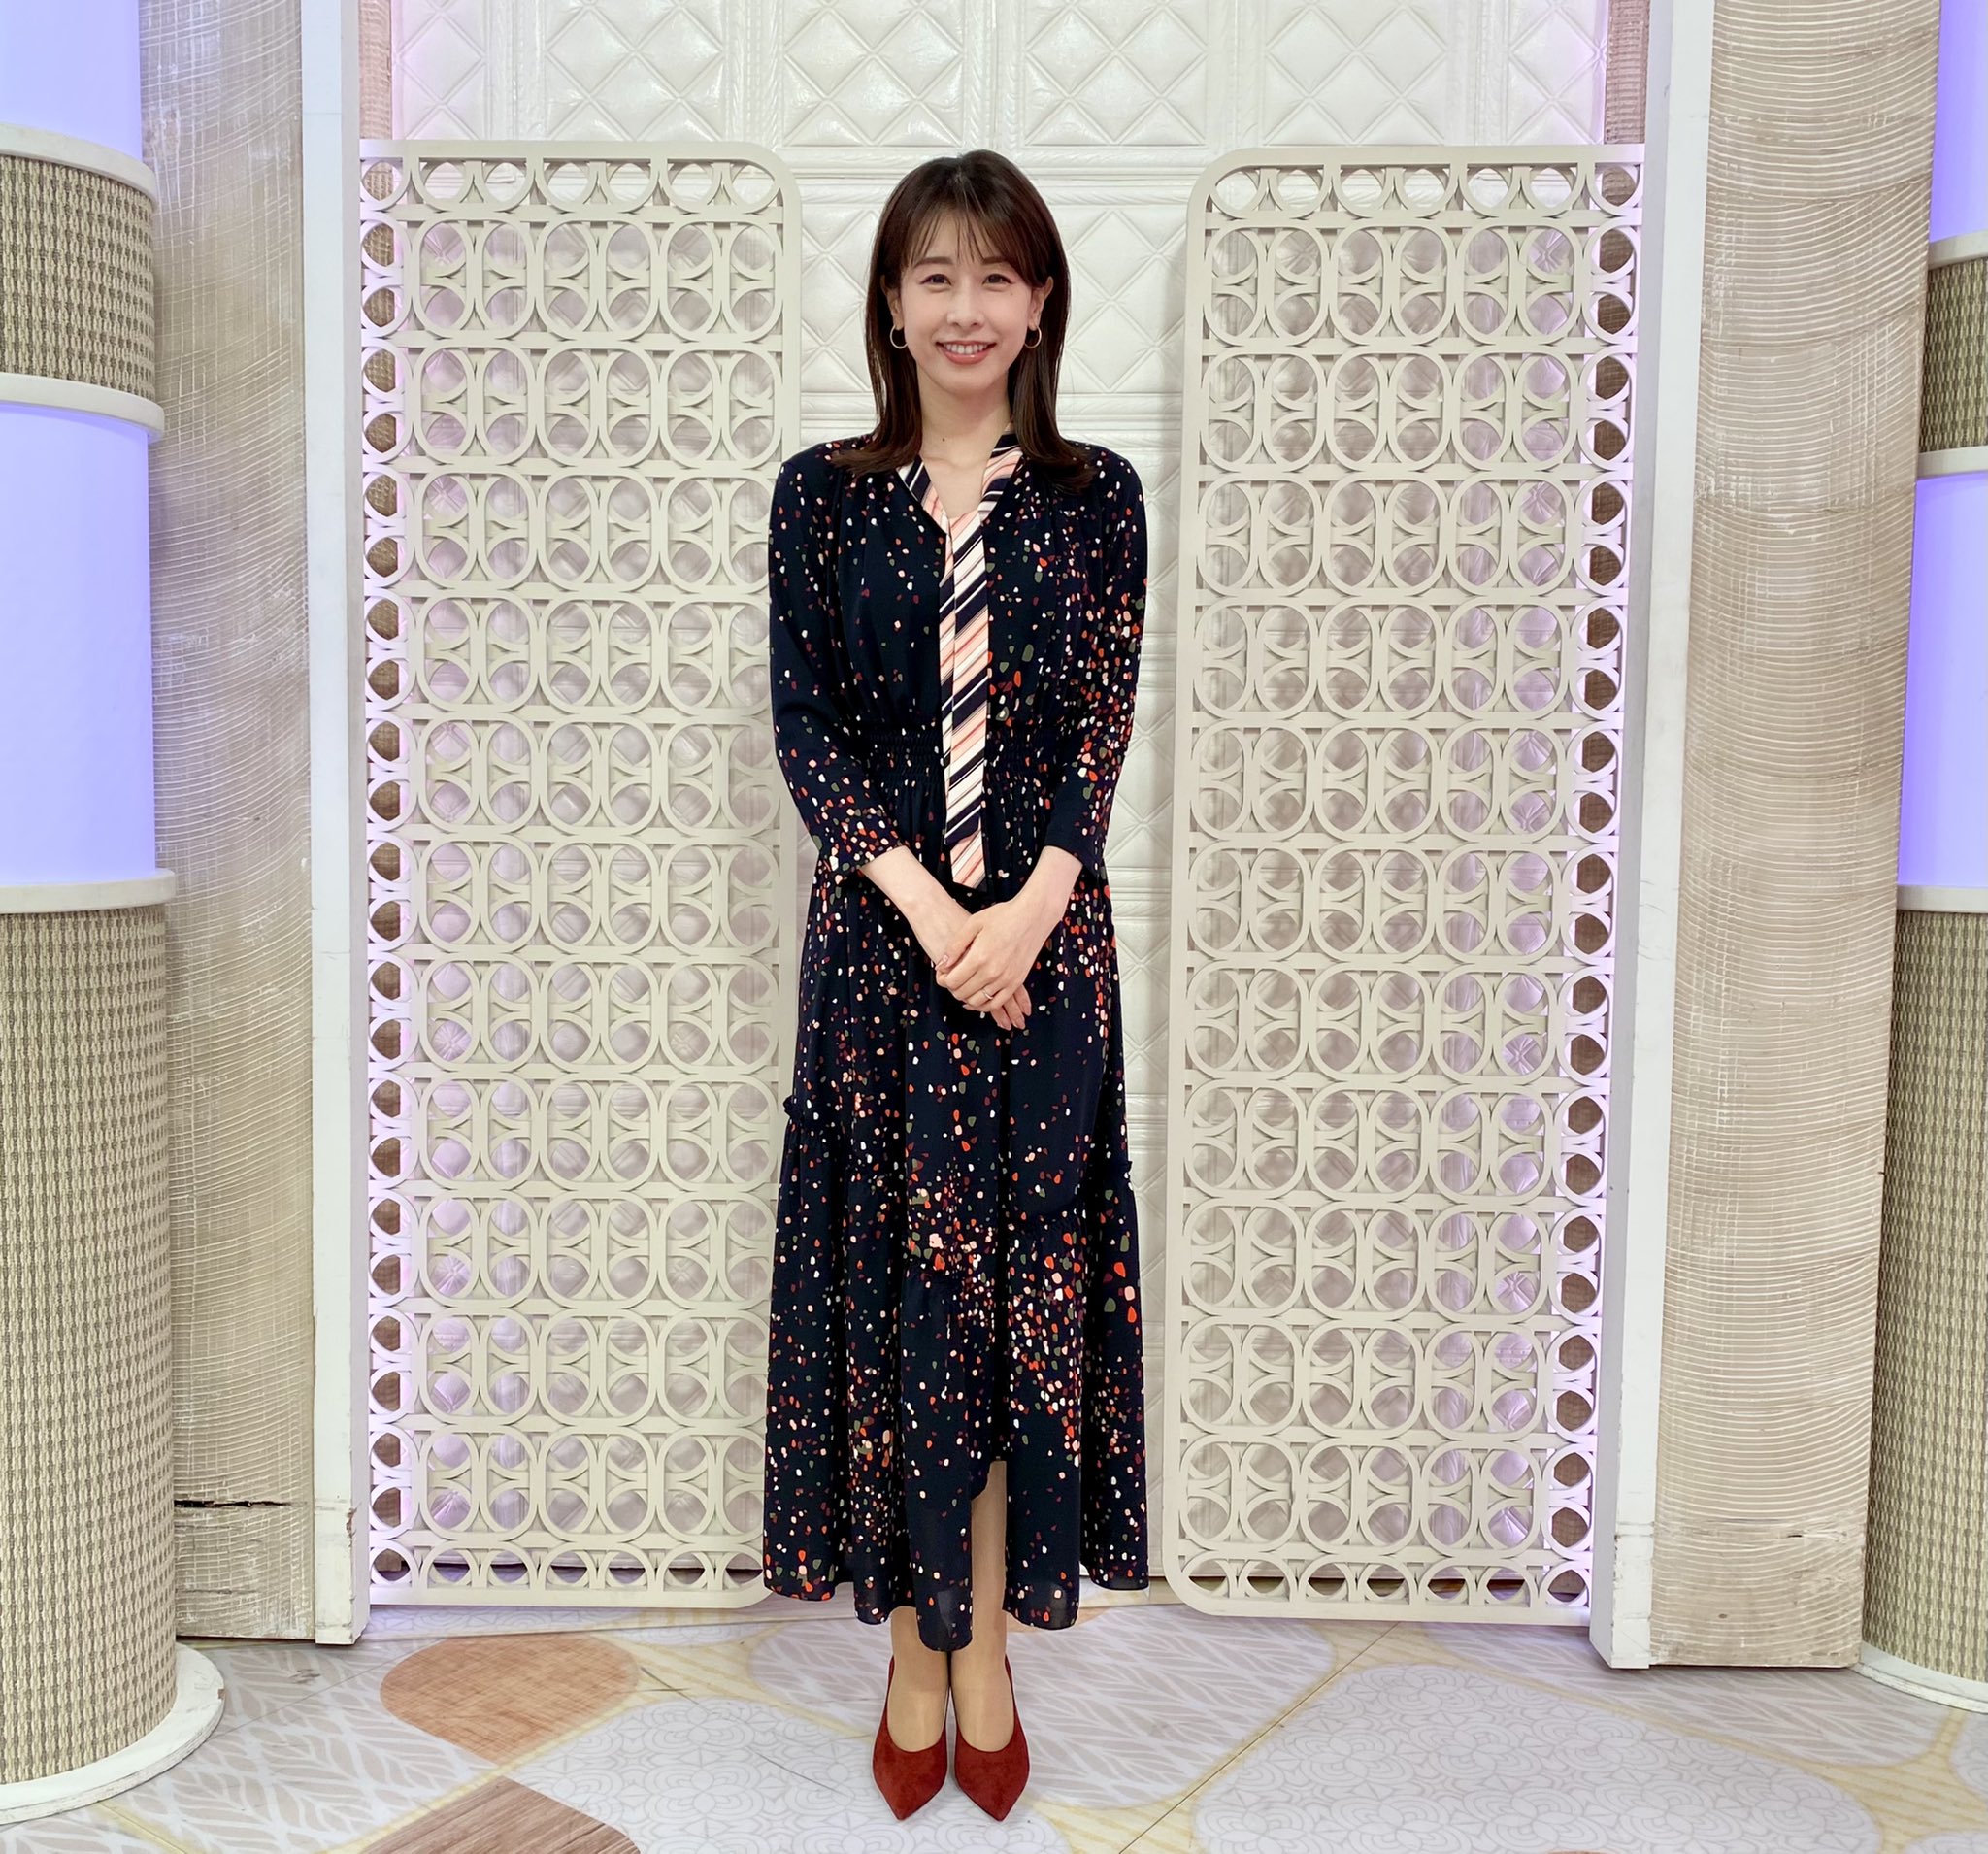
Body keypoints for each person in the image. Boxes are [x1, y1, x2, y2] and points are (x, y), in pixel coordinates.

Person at [757, 148, 1151, 1823]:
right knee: (908, 1316)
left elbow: (1097, 730)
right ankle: (933, 1655)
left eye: (997, 276)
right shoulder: (820, 495)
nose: (966, 307)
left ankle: (969, 1650)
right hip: (884, 957)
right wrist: (934, 913)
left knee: (1011, 1320)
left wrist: (1031, 909)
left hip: (1045, 965)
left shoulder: (1098, 496)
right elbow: (808, 728)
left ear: (1040, 301)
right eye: (936, 275)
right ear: (891, 302)